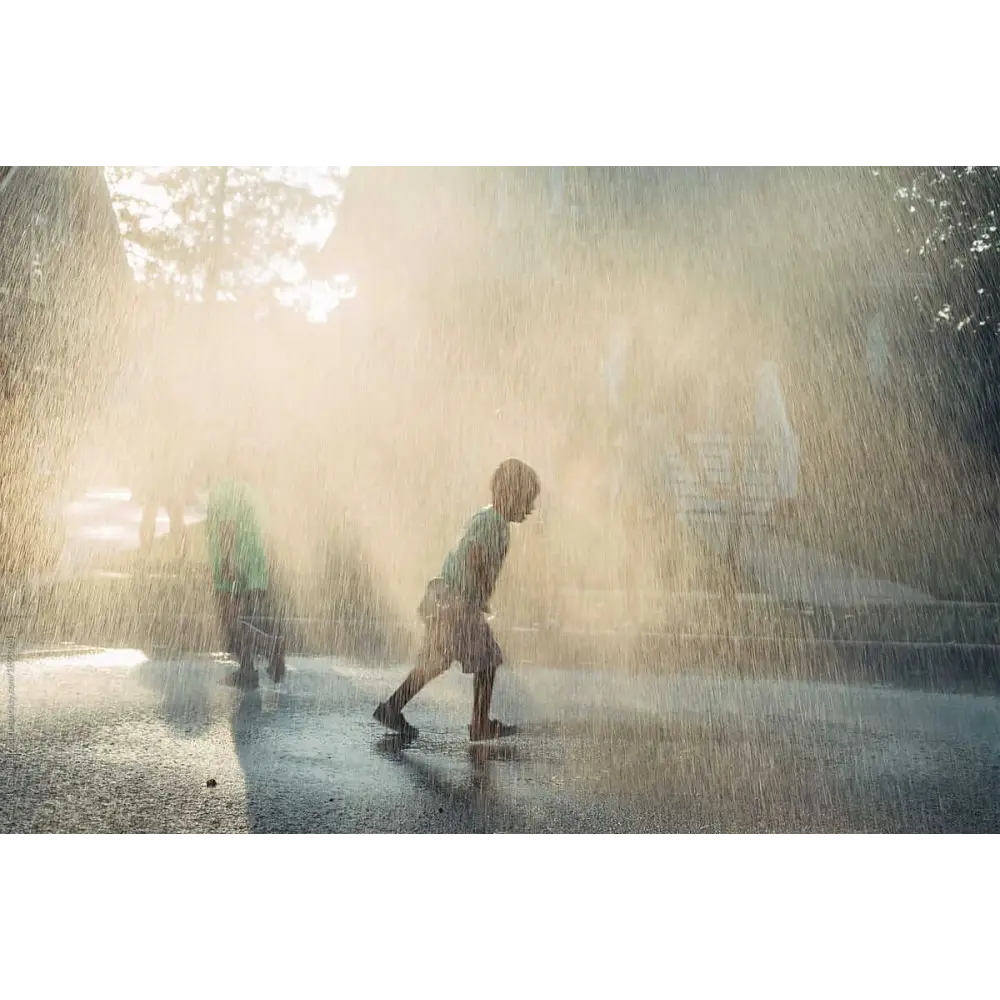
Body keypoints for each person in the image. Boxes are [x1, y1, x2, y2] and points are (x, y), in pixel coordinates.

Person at [373, 458, 541, 742]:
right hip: (457, 603)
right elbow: (475, 552)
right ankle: (479, 724)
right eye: (527, 500)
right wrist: (483, 585)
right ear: (511, 494)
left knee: (436, 660)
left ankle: (392, 707)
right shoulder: (494, 522)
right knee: (488, 661)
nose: (530, 508)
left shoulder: (489, 518)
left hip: (447, 598)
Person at [205, 472, 287, 690]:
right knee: (241, 619)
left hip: (236, 560)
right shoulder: (250, 489)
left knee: (230, 620)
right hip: (254, 560)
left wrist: (226, 560)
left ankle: (264, 653)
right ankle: (253, 663)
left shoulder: (224, 488)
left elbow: (226, 527)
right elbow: (267, 529)